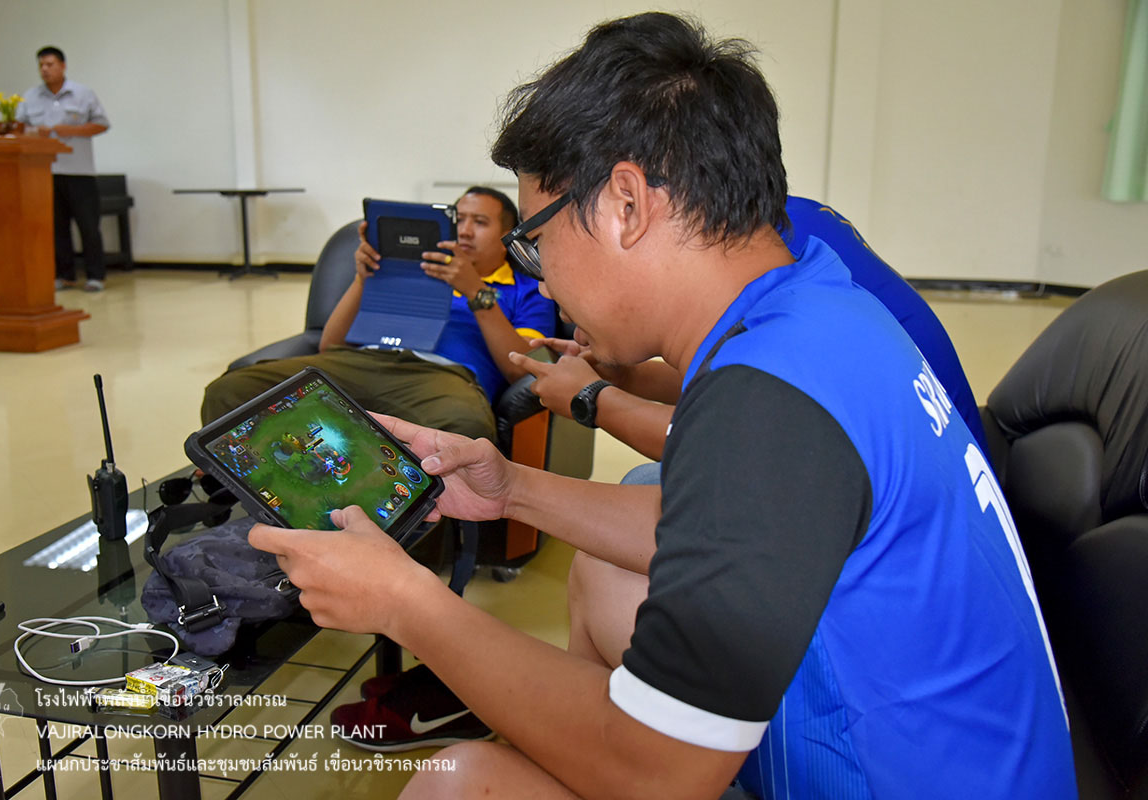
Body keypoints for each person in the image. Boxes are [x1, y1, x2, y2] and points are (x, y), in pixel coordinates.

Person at [250, 12, 1076, 799]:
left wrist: (407, 603)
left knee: (463, 782)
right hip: (962, 753)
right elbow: (735, 528)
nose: (543, 278)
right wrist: (512, 489)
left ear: (627, 203)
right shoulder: (819, 306)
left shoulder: (765, 404)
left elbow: (654, 776)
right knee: (608, 574)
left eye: (536, 239)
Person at [523, 194, 989, 463]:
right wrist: (624, 377)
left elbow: (729, 443)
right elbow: (737, 393)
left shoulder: (765, 265)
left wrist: (593, 400)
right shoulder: (782, 223)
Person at [200, 186, 557, 444]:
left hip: (442, 377)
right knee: (229, 392)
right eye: (458, 219)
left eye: (479, 222)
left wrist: (476, 291)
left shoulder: (527, 289)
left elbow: (521, 368)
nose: (464, 230)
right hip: (363, 362)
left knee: (464, 428)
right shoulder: (407, 270)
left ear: (506, 236)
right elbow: (329, 345)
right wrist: (364, 278)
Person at [16, 46, 110, 292]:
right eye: (41, 65)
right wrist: (35, 132)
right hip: (44, 172)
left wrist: (68, 130)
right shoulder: (30, 97)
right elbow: (18, 129)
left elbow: (102, 124)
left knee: (88, 226)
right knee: (57, 227)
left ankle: (95, 276)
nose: (45, 69)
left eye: (50, 64)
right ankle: (65, 275)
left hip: (79, 171)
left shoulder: (82, 93)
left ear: (63, 66)